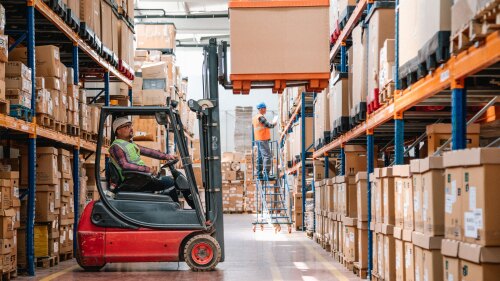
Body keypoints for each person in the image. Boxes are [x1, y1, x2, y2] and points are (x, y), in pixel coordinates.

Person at [109, 117, 179, 200]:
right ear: (118, 130)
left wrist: (167, 156)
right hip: (133, 181)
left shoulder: (130, 144)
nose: (131, 129)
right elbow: (125, 165)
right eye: (127, 127)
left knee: (169, 181)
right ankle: (174, 207)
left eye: (131, 126)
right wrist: (147, 169)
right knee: (169, 182)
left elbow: (149, 152)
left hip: (140, 178)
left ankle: (170, 206)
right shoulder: (116, 147)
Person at [253, 102, 277, 179]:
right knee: (267, 156)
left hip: (258, 139)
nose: (266, 109)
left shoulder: (255, 117)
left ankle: (259, 174)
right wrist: (274, 124)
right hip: (263, 139)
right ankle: (266, 174)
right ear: (261, 109)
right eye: (264, 108)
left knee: (260, 157)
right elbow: (268, 125)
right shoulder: (260, 117)